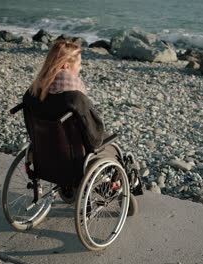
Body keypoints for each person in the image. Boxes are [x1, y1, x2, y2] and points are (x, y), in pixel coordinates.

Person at [22, 40, 125, 199]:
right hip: (74, 159)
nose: (81, 68)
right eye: (79, 63)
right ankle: (117, 185)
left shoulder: (33, 92)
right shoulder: (74, 98)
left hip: (44, 153)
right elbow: (94, 138)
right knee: (114, 148)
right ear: (65, 66)